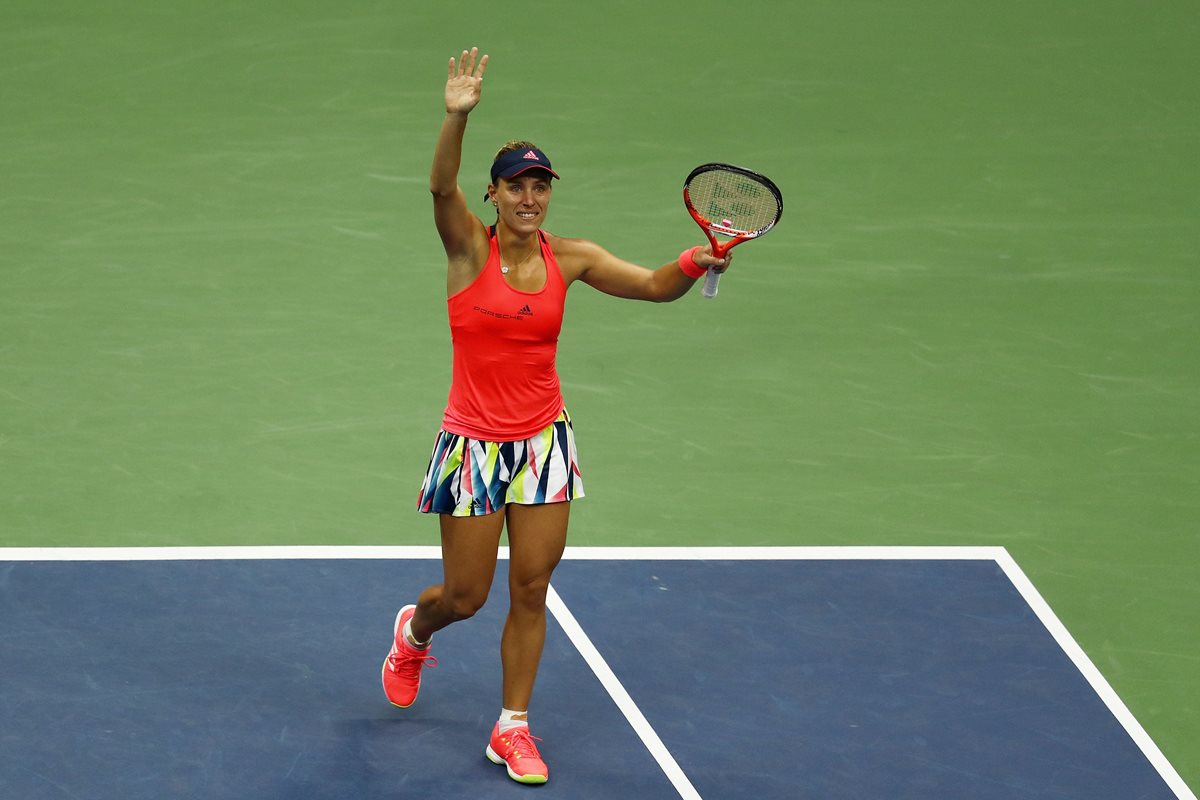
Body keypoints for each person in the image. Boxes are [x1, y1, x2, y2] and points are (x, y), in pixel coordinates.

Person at [382, 47, 731, 786]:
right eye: (516, 185)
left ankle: (512, 727)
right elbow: (439, 185)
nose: (529, 197)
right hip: (473, 448)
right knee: (465, 597)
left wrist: (695, 263)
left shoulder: (571, 258)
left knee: (532, 588)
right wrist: (456, 116)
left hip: (543, 445)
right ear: (494, 194)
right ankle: (414, 631)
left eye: (539, 185)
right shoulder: (467, 249)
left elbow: (652, 286)